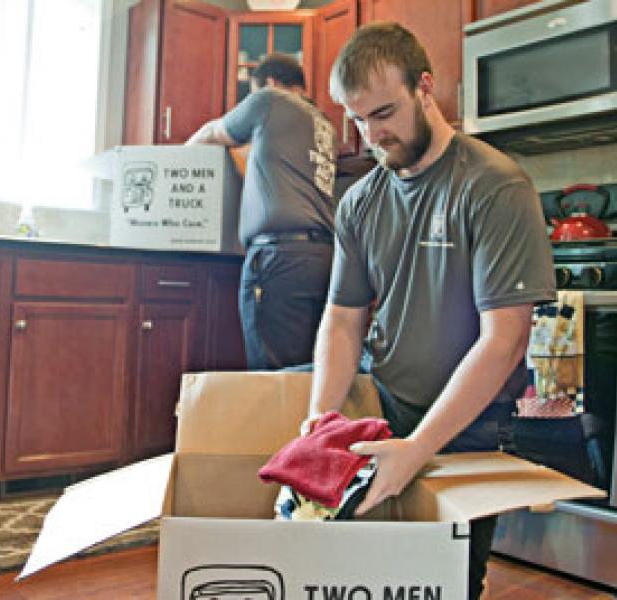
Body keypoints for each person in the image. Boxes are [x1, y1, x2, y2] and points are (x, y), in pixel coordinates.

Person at [302, 22, 556, 600]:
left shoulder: (494, 187)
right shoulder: (362, 200)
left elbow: (505, 340)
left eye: (385, 113)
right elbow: (343, 319)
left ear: (425, 87)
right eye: (358, 119)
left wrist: (419, 450)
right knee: (363, 581)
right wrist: (324, 415)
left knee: (445, 587)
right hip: (387, 406)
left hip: (474, 426)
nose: (373, 135)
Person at [186, 53, 337, 370]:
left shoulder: (269, 101)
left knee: (273, 378)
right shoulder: (324, 124)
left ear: (268, 83)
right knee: (307, 373)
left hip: (278, 257)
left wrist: (176, 166)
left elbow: (210, 135)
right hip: (322, 257)